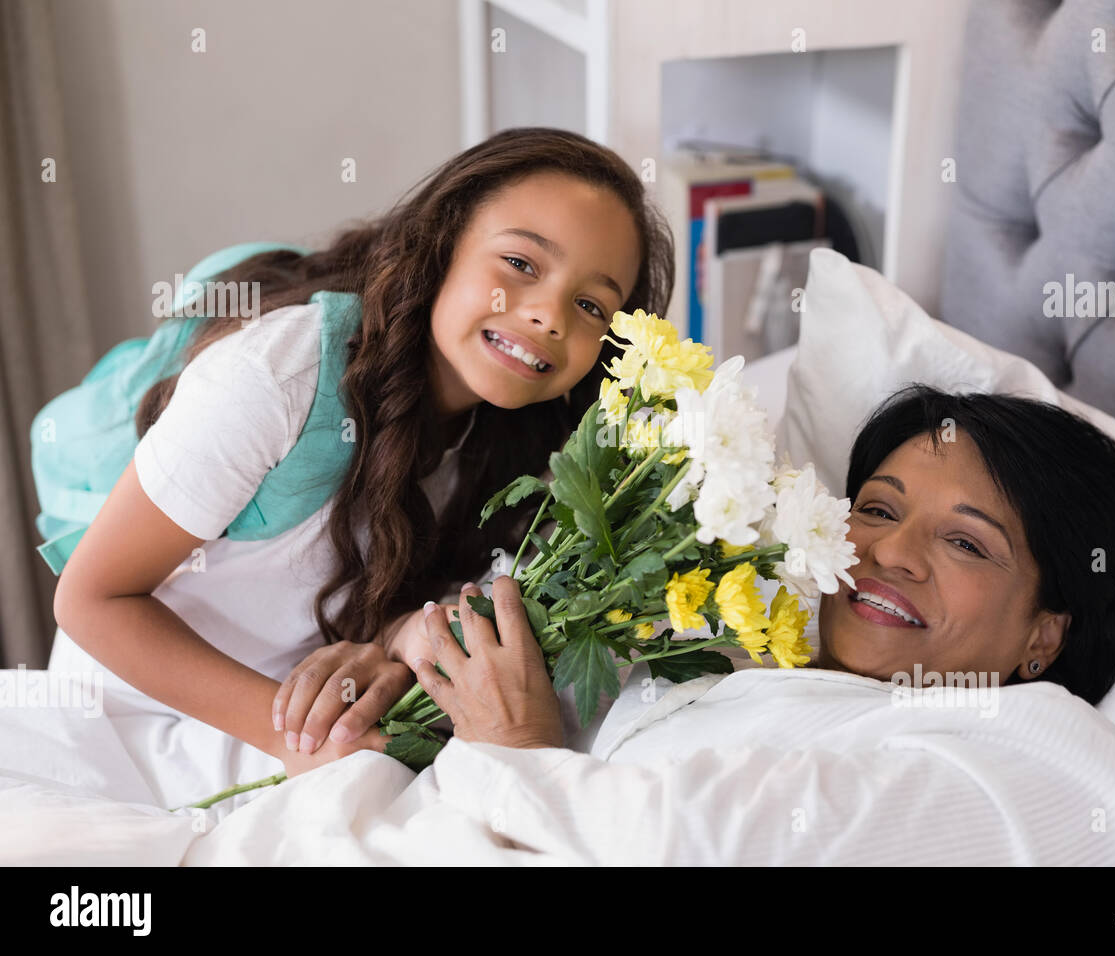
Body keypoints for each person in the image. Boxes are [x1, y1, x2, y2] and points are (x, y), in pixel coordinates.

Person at [45, 127, 670, 812]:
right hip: (128, 718)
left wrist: (394, 642)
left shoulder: (524, 437)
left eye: (590, 305)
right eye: (521, 263)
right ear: (444, 243)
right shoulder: (280, 378)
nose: (549, 315)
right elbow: (91, 600)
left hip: (294, 721)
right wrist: (293, 740)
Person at [397, 385, 1115, 864]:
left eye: (965, 542)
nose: (889, 551)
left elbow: (708, 845)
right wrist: (406, 659)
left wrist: (518, 758)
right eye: (878, 510)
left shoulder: (1044, 749)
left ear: (1044, 636)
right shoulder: (729, 653)